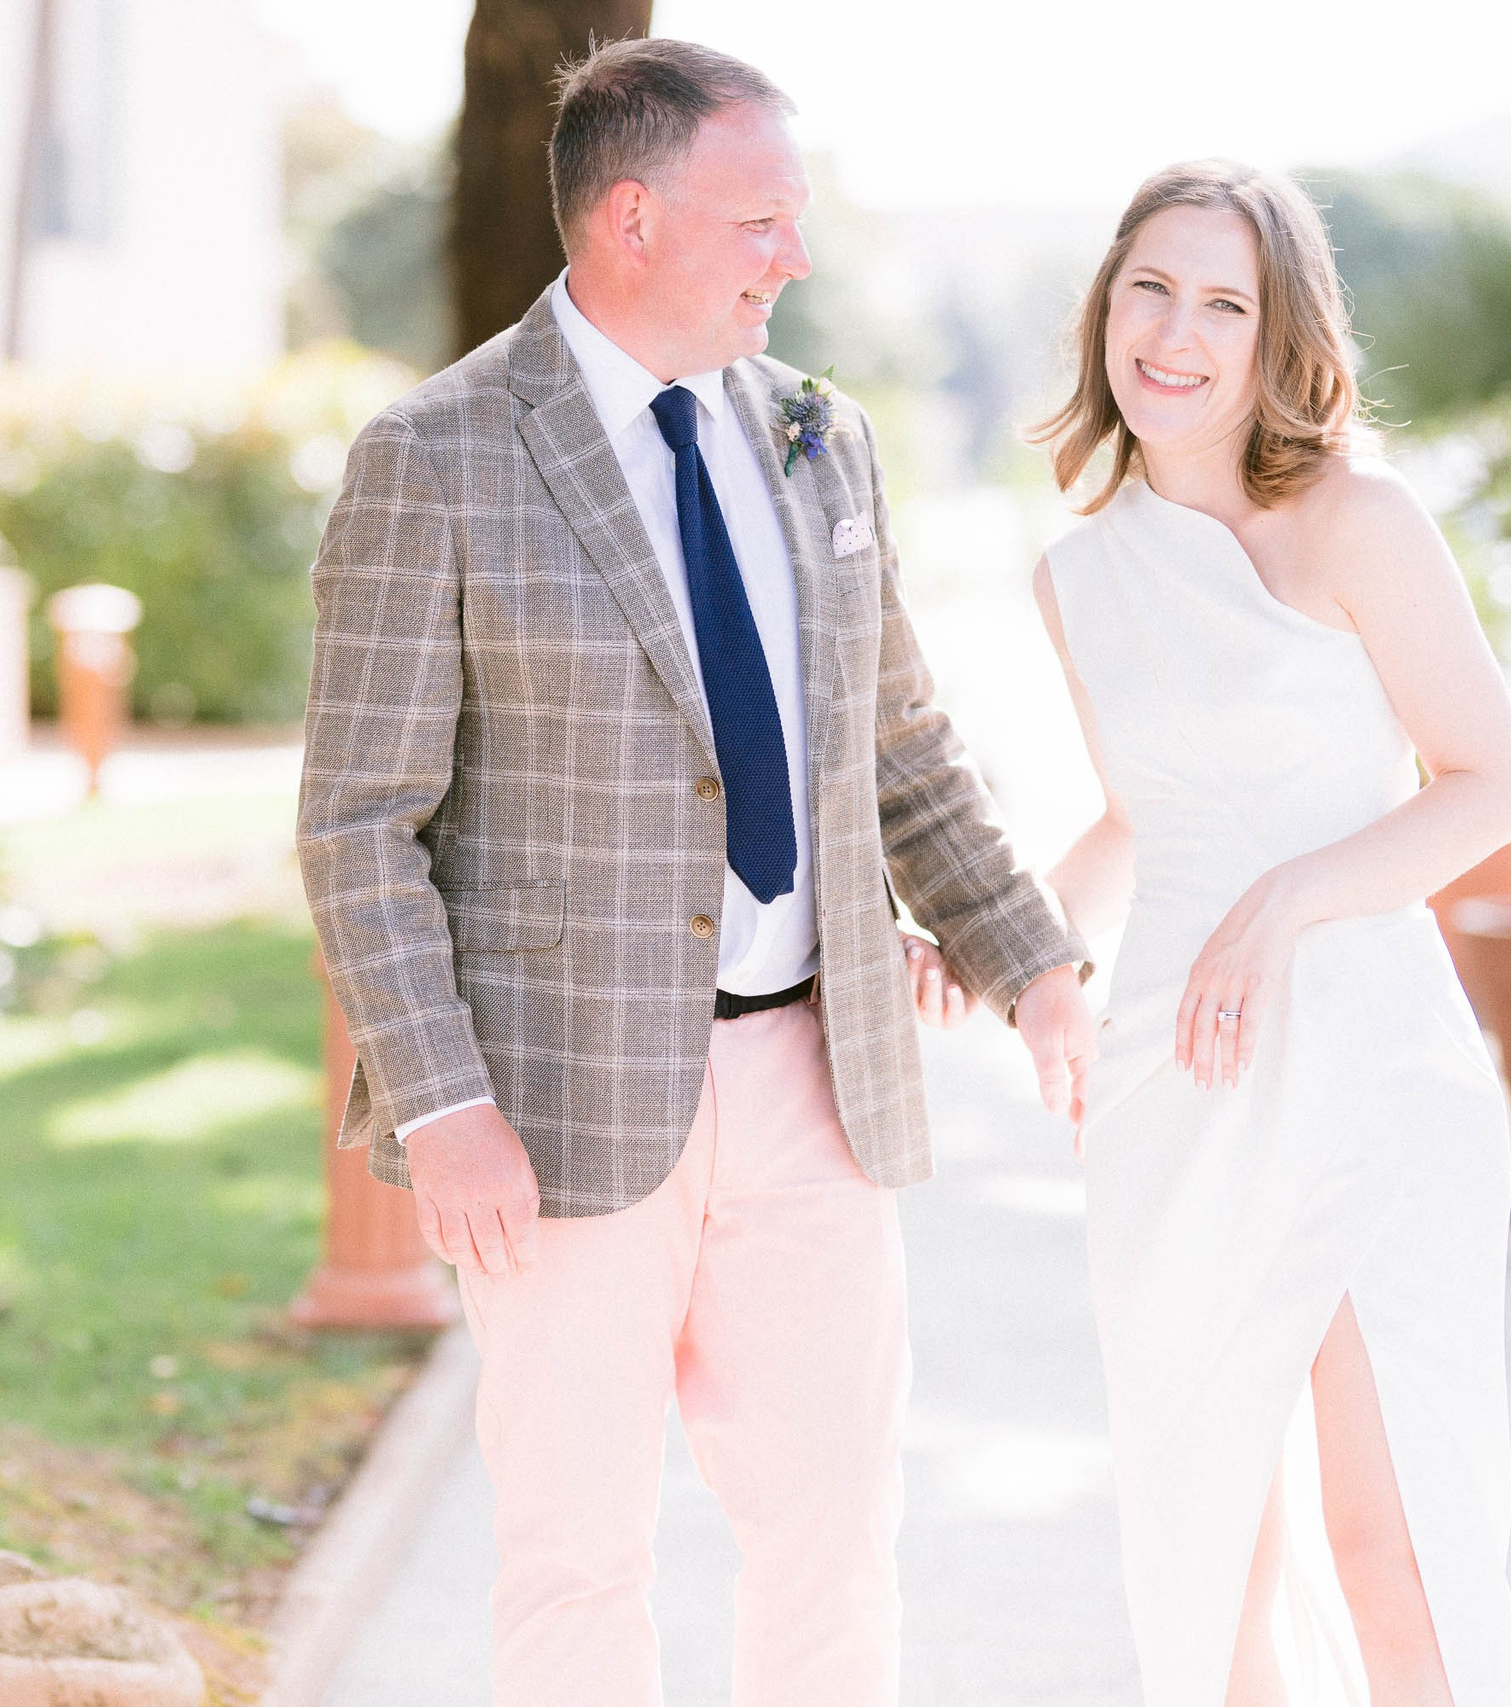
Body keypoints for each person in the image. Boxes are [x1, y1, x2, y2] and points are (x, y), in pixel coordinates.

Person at [295, 37, 1095, 1707]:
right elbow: (359, 822)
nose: (794, 260)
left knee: (832, 1536)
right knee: (577, 1558)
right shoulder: (432, 458)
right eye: (762, 223)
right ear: (633, 218)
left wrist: (1029, 962)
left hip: (817, 1078)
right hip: (553, 1108)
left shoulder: (823, 440)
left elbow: (901, 750)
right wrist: (440, 1108)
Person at [1029, 161, 1511, 1706]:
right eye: (1150, 290)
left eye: (1222, 303)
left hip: (1376, 1072)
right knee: (1214, 1561)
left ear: (1275, 339)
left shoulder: (1358, 525)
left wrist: (1288, 899)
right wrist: (1016, 950)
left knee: (1399, 1546)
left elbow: (1495, 785)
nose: (1175, 335)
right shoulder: (1080, 574)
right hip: (1176, 1087)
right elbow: (1139, 818)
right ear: (1106, 308)